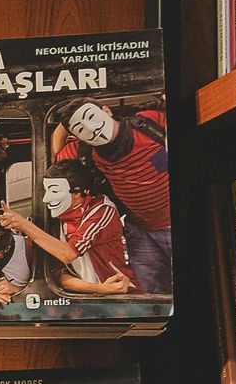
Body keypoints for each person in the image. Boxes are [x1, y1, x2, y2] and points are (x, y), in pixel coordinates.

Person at [55, 94, 170, 295]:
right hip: (141, 229)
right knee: (152, 292)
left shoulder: (149, 123)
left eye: (91, 117)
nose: (91, 129)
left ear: (107, 110)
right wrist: (66, 122)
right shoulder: (84, 151)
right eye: (80, 129)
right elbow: (57, 158)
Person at [0, 173, 134, 293]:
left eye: (54, 191)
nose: (45, 199)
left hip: (121, 291)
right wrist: (98, 289)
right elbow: (59, 275)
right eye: (46, 191)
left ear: (79, 193)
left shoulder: (102, 210)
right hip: (94, 294)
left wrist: (24, 225)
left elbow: (68, 254)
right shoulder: (57, 220)